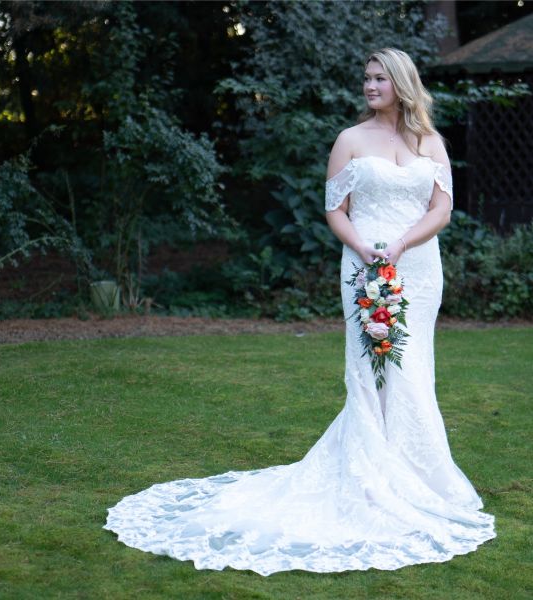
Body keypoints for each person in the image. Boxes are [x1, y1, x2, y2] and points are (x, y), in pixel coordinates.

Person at [104, 48, 496, 576]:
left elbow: (442, 208)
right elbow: (335, 209)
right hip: (364, 264)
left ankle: (420, 477)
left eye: (380, 78)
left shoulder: (431, 142)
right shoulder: (350, 141)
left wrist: (402, 244)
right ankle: (372, 478)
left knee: (413, 369)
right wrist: (365, 247)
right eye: (366, 77)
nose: (369, 86)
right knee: (373, 369)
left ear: (403, 83)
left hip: (419, 268)